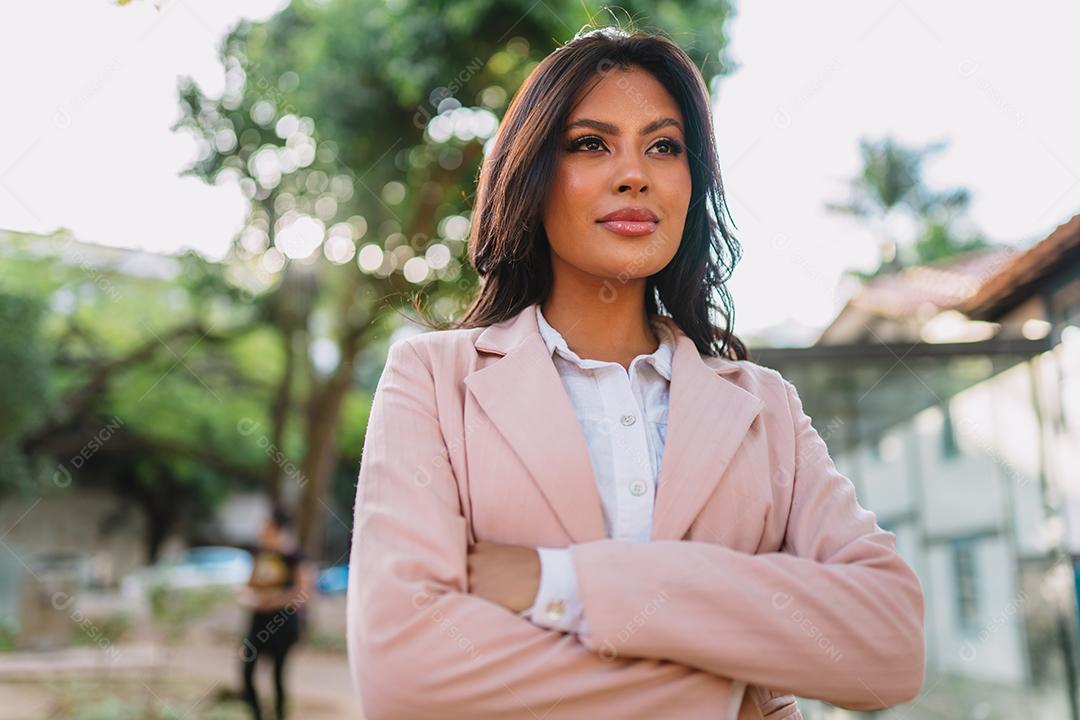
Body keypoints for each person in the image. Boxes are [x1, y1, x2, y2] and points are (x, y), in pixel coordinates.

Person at [347, 24, 925, 720]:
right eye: (591, 143)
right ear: (531, 174)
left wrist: (561, 583)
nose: (635, 173)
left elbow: (890, 647)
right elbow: (403, 673)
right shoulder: (433, 381)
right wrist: (734, 677)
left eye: (663, 146)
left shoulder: (764, 408)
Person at [237, 507, 314, 720]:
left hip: (283, 623)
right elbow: (247, 586)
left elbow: (303, 592)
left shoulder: (293, 556)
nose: (260, 528)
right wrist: (250, 598)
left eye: (265, 524)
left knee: (278, 676)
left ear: (275, 527)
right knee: (246, 672)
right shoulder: (259, 553)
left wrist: (274, 600)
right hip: (258, 621)